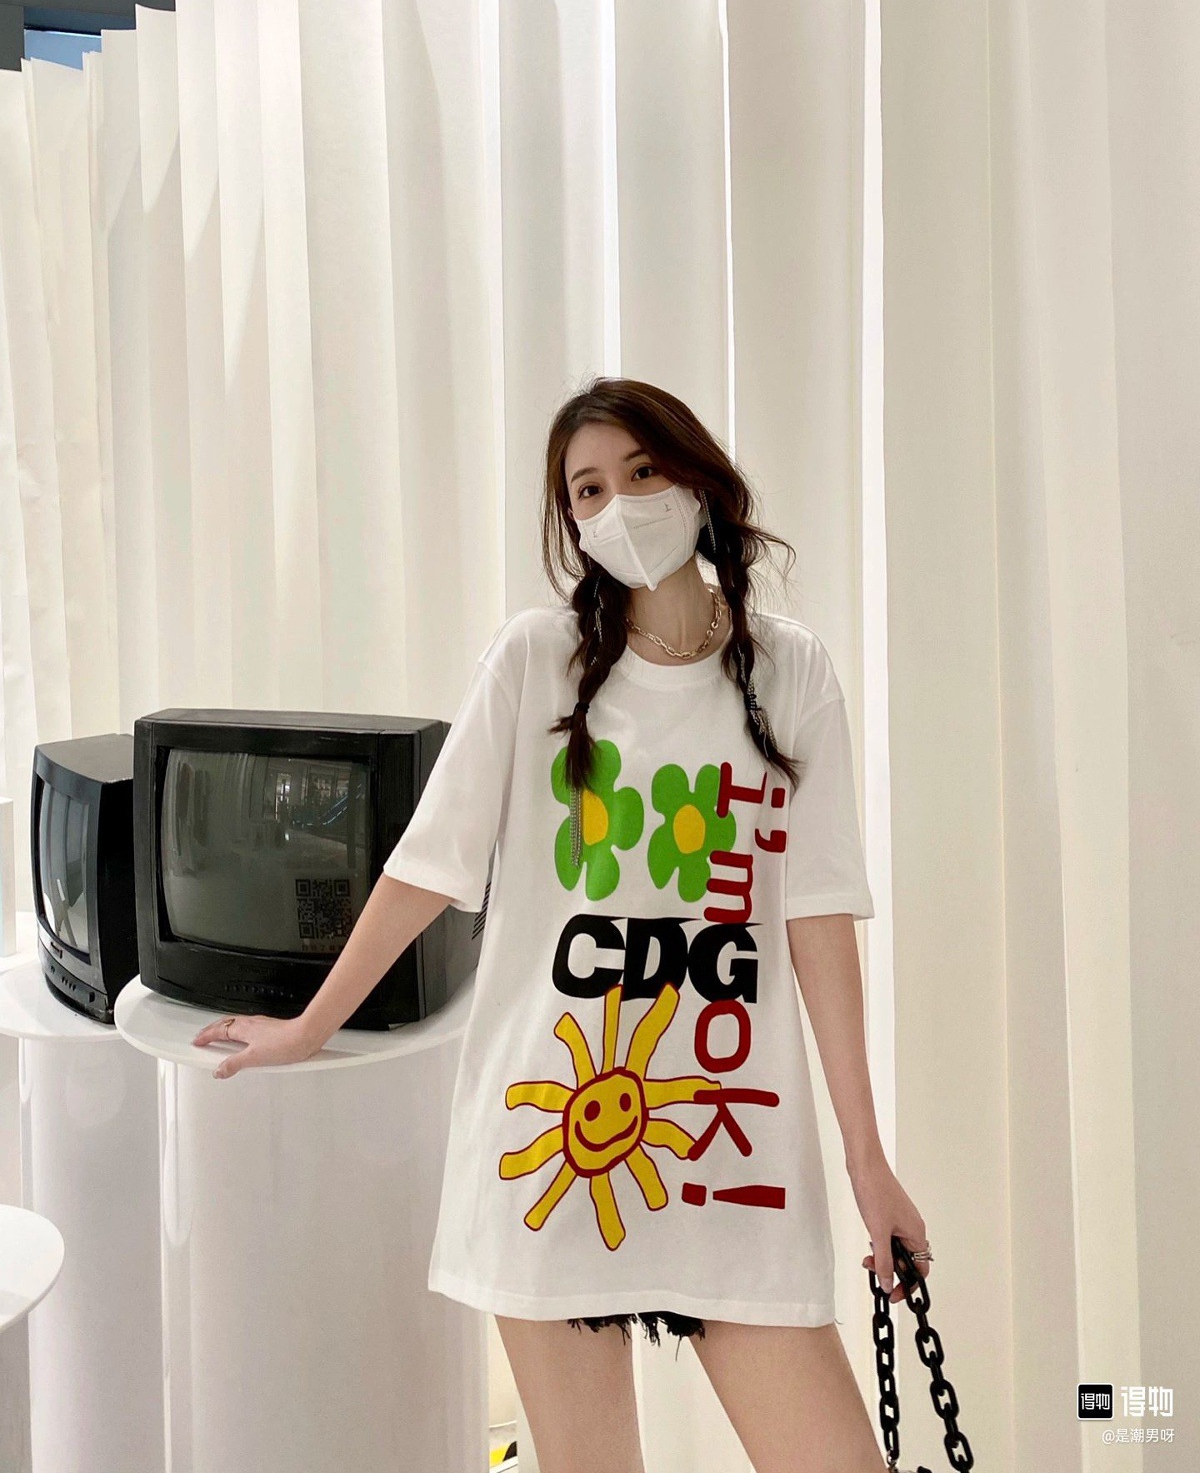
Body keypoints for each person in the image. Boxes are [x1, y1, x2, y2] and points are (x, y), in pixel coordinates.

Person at [192, 376, 929, 1473]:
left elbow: (820, 915)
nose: (620, 504)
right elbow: (426, 867)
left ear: (697, 481)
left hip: (735, 1153)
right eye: (588, 489)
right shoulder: (535, 660)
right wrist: (310, 1024)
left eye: (642, 471)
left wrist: (869, 1162)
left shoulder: (792, 671)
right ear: (571, 522)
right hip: (550, 1155)